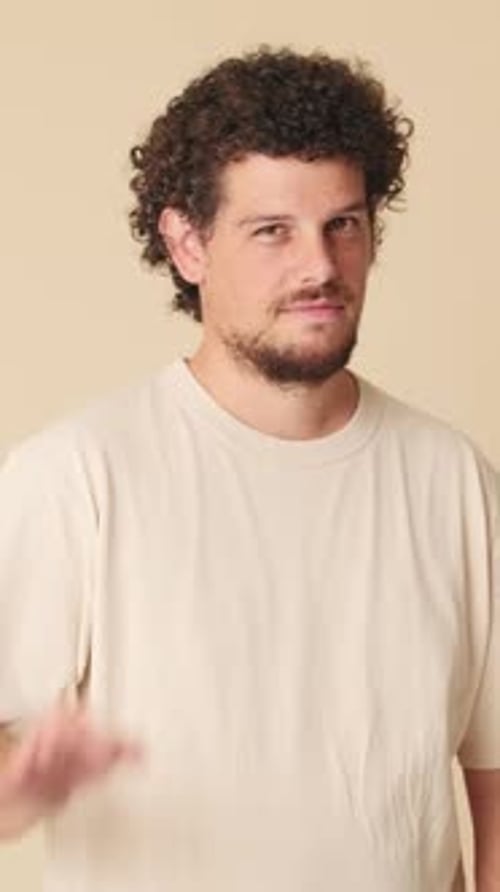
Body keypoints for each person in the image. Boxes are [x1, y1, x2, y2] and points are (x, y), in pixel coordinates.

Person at [0, 47, 498, 892]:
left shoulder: (454, 481)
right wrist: (16, 791)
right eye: (272, 231)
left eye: (343, 223)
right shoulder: (77, 477)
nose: (319, 267)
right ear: (187, 244)